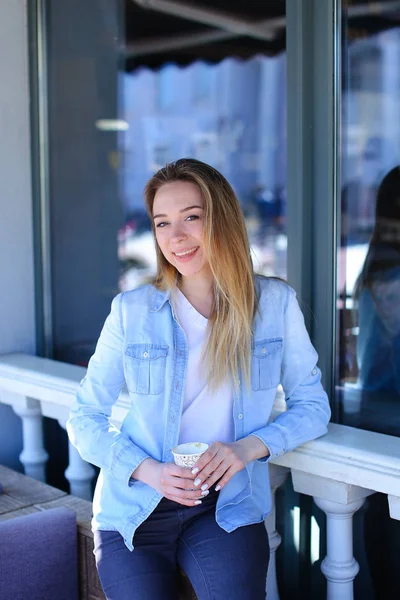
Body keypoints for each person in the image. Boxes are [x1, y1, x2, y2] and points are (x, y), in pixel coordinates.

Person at [67, 158, 331, 600]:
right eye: (162, 223)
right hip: (135, 507)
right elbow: (84, 417)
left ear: (222, 219)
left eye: (191, 217)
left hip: (225, 508)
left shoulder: (275, 304)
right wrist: (149, 471)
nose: (176, 237)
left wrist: (248, 449)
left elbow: (313, 405)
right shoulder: (131, 311)